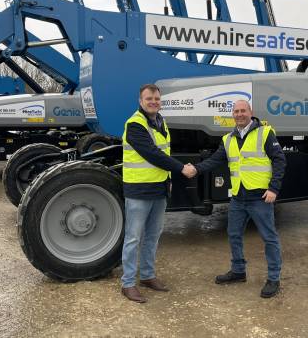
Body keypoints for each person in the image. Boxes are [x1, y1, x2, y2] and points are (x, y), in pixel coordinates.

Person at [188, 99, 286, 298]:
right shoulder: (228, 139)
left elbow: (279, 160)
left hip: (259, 197)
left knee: (269, 238)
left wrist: (274, 188)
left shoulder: (265, 133)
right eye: (236, 111)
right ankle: (238, 271)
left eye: (243, 110)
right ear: (232, 115)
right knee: (233, 234)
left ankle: (274, 278)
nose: (240, 114)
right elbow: (215, 160)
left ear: (250, 112)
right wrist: (196, 169)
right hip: (238, 198)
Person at [121, 84, 196, 303]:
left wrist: (169, 181)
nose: (153, 101)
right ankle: (127, 284)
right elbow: (152, 154)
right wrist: (181, 168)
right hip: (138, 190)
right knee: (133, 238)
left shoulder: (161, 122)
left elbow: (164, 153)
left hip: (159, 189)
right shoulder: (135, 124)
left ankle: (147, 276)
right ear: (140, 100)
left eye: (156, 98)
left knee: (153, 236)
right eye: (149, 98)